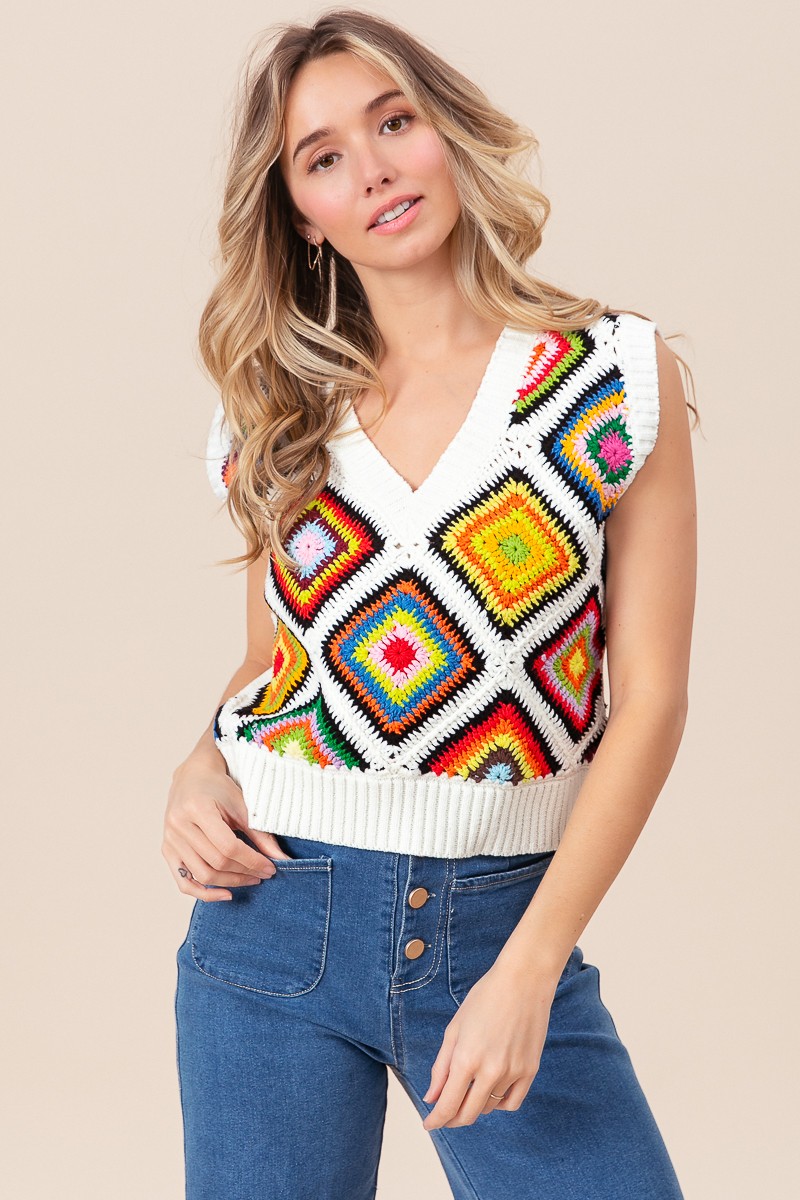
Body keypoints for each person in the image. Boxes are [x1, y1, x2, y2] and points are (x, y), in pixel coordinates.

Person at [163, 9, 698, 1199]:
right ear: (301, 213)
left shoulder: (609, 375)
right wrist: (201, 765)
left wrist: (530, 967)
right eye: (323, 157)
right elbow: (270, 666)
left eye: (392, 122)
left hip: (500, 923)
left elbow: (651, 702)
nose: (373, 169)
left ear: (445, 133)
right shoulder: (276, 407)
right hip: (270, 922)